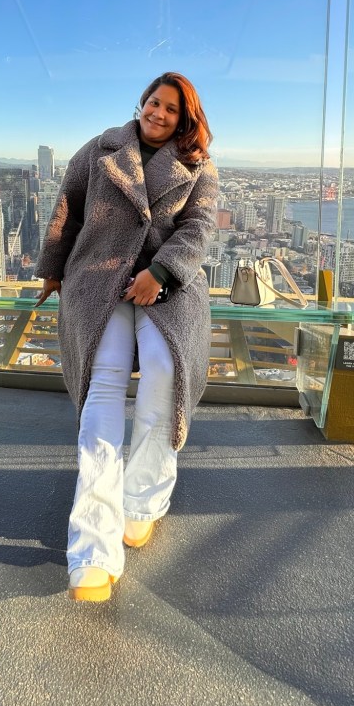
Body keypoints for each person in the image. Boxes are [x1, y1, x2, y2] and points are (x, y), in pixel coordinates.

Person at [35, 72, 218, 602]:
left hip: (169, 283)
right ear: (142, 103)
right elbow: (66, 208)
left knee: (164, 369)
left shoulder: (198, 165)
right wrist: (53, 269)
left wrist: (160, 272)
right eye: (153, 103)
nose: (158, 113)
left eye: (171, 109)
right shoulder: (100, 150)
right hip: (100, 276)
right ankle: (91, 547)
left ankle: (142, 500)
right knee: (105, 382)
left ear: (184, 119)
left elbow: (200, 227)